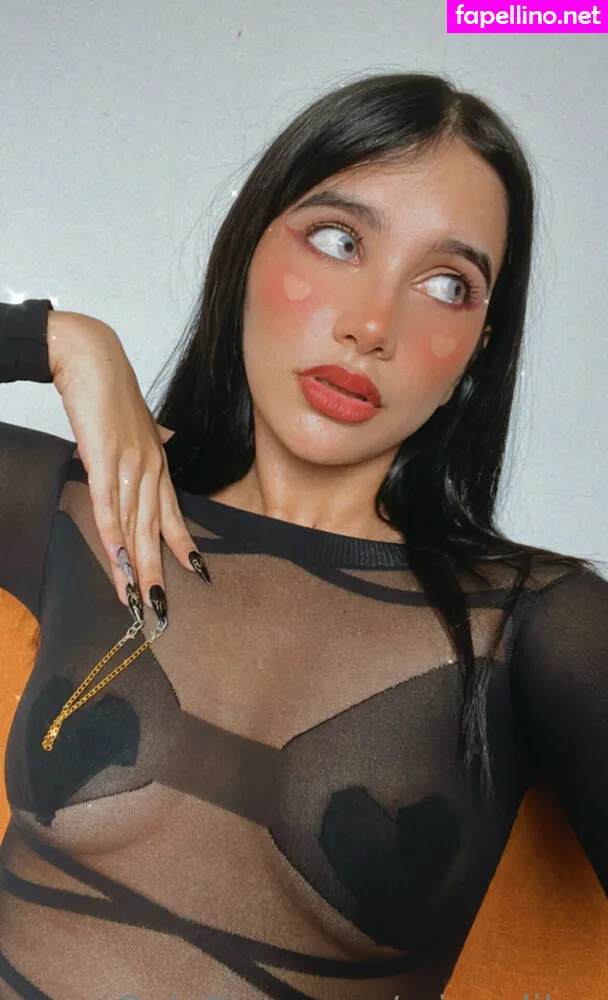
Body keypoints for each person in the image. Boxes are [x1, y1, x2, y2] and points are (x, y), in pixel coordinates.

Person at [0, 71, 606, 1000]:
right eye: (338, 240)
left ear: (481, 346)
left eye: (447, 284)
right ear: (249, 245)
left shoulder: (533, 627)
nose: (371, 326)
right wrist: (57, 341)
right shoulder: (80, 510)